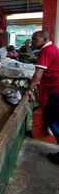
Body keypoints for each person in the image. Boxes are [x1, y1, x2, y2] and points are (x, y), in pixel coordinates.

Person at [26, 31, 59, 164]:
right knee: (51, 116)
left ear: (44, 39)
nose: (32, 41)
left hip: (56, 88)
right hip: (53, 87)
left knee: (52, 117)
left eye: (35, 39)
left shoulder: (46, 50)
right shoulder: (52, 49)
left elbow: (39, 71)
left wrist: (30, 88)